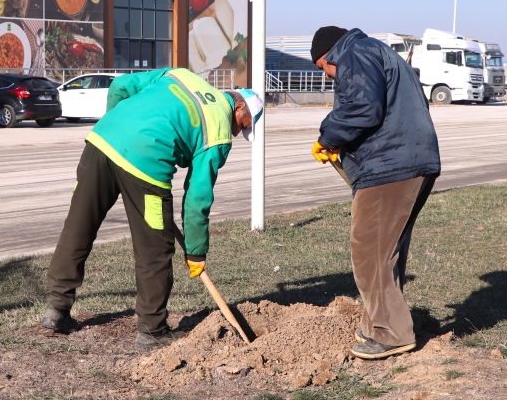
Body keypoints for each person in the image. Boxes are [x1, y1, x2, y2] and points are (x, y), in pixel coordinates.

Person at [42, 68, 264, 351]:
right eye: (245, 124)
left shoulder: (182, 75)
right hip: (145, 166)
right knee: (155, 248)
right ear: (239, 105)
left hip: (101, 142)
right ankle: (152, 330)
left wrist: (117, 127)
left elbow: (120, 86)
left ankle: (56, 310)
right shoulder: (219, 129)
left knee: (79, 227)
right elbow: (197, 199)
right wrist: (196, 252)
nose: (241, 130)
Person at [310, 26, 441, 360]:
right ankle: (379, 323)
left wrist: (329, 136)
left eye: (322, 68)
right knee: (387, 251)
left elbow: (363, 107)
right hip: (413, 159)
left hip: (389, 166)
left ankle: (391, 333)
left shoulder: (354, 53)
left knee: (369, 250)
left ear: (327, 55)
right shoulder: (380, 53)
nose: (326, 76)